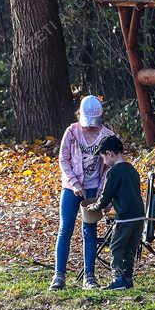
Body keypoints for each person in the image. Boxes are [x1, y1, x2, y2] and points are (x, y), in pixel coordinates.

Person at [53, 95, 116, 290]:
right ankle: (59, 276)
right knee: (65, 229)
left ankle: (89, 276)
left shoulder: (107, 136)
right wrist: (74, 183)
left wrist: (101, 192)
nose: (90, 126)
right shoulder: (71, 132)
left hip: (93, 188)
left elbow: (109, 167)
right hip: (71, 188)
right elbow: (63, 160)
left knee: (89, 231)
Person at [91, 136, 145, 291]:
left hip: (125, 217)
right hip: (140, 215)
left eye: (102, 157)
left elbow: (106, 195)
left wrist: (95, 207)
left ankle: (118, 278)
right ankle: (128, 278)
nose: (103, 161)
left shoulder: (113, 172)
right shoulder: (132, 169)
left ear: (109, 153)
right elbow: (127, 192)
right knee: (130, 248)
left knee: (116, 247)